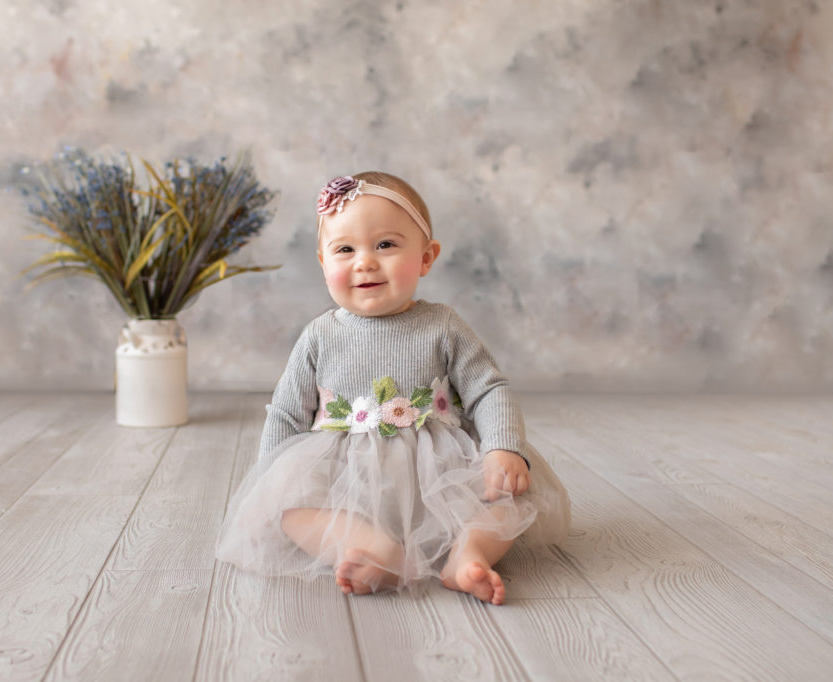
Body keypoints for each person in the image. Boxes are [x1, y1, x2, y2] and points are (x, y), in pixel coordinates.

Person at [215, 171, 570, 605]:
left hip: (440, 475)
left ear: (426, 256)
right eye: (345, 249)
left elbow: (488, 389)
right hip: (346, 480)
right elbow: (288, 412)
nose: (365, 261)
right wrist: (272, 481)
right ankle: (371, 550)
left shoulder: (443, 325)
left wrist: (502, 446)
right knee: (292, 511)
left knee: (511, 496)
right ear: (324, 262)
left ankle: (468, 553)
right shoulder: (320, 336)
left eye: (385, 245)